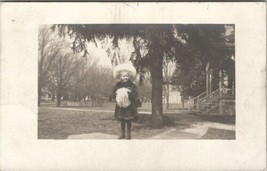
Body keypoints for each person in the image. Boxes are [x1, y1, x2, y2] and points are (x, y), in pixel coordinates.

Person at [112, 62, 141, 140]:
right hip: (120, 105)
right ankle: (122, 133)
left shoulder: (131, 85)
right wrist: (117, 94)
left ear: (129, 77)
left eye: (127, 76)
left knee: (128, 119)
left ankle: (128, 134)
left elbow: (135, 94)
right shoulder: (118, 85)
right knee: (122, 119)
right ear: (121, 77)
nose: (125, 77)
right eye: (124, 76)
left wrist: (128, 93)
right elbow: (113, 93)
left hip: (129, 106)